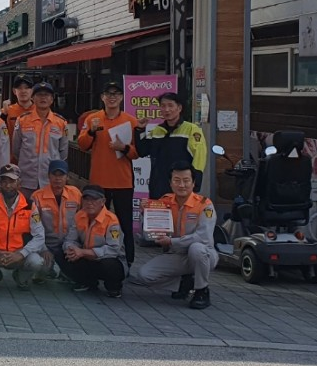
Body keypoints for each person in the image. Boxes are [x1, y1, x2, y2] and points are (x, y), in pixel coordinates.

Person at [127, 164, 217, 309]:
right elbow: (149, 233)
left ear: (193, 183)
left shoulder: (204, 204)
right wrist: (145, 212)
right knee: (144, 275)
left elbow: (203, 237)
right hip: (176, 255)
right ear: (170, 183)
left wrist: (172, 241)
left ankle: (201, 290)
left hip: (204, 255)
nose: (182, 185)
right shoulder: (164, 201)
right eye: (177, 180)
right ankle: (183, 283)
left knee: (197, 249)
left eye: (186, 180)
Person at [77, 81, 141, 264]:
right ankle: (91, 258)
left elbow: (137, 153)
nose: (112, 97)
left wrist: (124, 148)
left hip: (123, 181)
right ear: (102, 97)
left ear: (121, 97)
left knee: (125, 224)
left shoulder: (131, 121)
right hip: (99, 181)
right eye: (108, 93)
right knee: (94, 222)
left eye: (116, 94)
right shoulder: (93, 119)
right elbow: (82, 145)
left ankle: (128, 262)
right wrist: (91, 132)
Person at [0, 163, 45, 290]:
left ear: (19, 184)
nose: (7, 185)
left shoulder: (30, 206)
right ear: (0, 183)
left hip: (19, 255)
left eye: (12, 181)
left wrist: (21, 253)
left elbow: (39, 236)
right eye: (4, 181)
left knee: (36, 261)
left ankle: (21, 279)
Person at [134, 91, 208, 200]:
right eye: (163, 106)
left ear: (179, 108)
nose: (166, 109)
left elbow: (199, 157)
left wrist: (195, 182)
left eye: (170, 105)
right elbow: (142, 151)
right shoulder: (157, 130)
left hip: (181, 187)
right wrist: (140, 129)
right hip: (158, 187)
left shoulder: (191, 129)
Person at [62, 183, 127, 298]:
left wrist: (83, 252)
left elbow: (113, 250)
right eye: (86, 199)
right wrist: (71, 249)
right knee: (62, 254)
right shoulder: (79, 216)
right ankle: (87, 282)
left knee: (109, 264)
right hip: (87, 258)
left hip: (108, 260)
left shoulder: (111, 220)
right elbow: (70, 239)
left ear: (103, 201)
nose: (89, 203)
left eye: (94, 199)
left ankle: (114, 287)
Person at [11, 82, 69, 197]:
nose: (43, 98)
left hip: (49, 180)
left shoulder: (60, 122)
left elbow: (63, 153)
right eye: (39, 95)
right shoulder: (22, 120)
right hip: (26, 179)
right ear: (33, 98)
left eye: (46, 95)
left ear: (52, 99)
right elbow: (16, 149)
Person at [30, 159, 82, 279]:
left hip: (69, 243)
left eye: (61, 175)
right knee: (42, 269)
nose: (57, 179)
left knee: (76, 271)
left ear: (67, 177)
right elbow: (32, 227)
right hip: (46, 244)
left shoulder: (76, 194)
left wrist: (76, 246)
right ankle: (48, 268)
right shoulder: (37, 196)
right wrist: (43, 248)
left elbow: (82, 219)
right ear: (48, 176)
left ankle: (66, 272)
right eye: (54, 174)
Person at [0, 76, 35, 156]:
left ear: (32, 90)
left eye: (26, 88)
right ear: (14, 91)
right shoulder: (7, 110)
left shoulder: (39, 111)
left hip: (34, 159)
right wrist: (4, 115)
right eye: (19, 88)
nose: (23, 91)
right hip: (12, 159)